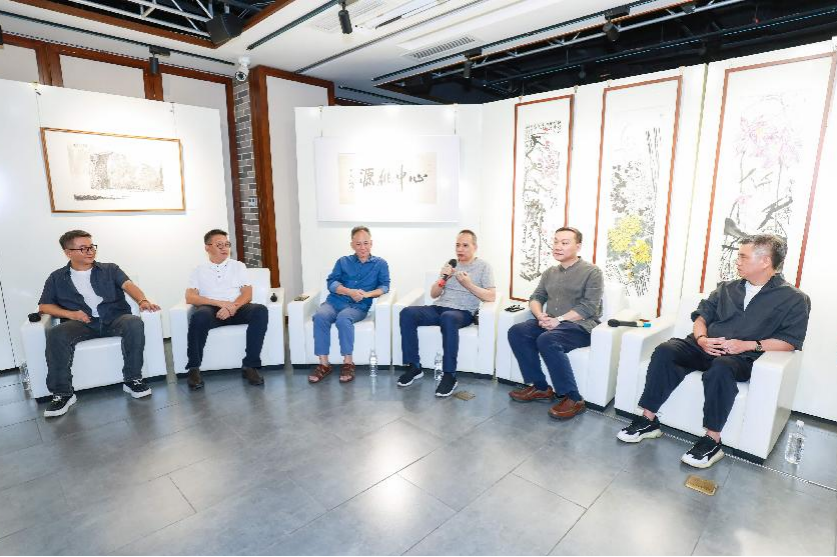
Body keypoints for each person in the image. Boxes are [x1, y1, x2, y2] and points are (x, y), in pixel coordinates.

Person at [617, 234, 811, 469]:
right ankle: (648, 421)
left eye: (743, 256)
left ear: (765, 261)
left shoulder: (794, 299)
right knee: (666, 350)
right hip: (705, 346)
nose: (737, 261)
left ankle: (712, 440)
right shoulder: (726, 288)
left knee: (721, 368)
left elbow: (789, 341)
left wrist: (747, 345)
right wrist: (702, 339)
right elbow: (701, 317)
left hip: (741, 356)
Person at [38, 230, 161, 418]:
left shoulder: (110, 269)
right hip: (82, 323)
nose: (90, 251)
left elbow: (129, 285)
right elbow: (44, 306)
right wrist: (71, 314)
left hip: (114, 318)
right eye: (83, 248)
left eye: (91, 247)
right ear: (68, 252)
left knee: (134, 323)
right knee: (57, 333)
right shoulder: (57, 277)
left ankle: (133, 380)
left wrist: (142, 300)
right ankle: (62, 393)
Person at [507, 227, 604, 419]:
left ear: (578, 246)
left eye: (564, 243)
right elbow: (536, 297)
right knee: (517, 331)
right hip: (551, 322)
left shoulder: (592, 272)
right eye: (556, 242)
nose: (558, 246)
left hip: (580, 327)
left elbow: (589, 307)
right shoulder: (549, 272)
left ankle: (574, 398)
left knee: (547, 339)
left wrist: (558, 320)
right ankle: (541, 388)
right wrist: (540, 316)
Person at [397, 230, 496, 397]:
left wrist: (468, 284)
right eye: (457, 245)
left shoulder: (484, 267)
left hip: (462, 312)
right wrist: (443, 279)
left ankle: (449, 375)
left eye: (465, 245)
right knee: (407, 313)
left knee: (448, 317)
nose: (460, 249)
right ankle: (414, 366)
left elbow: (491, 296)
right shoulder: (451, 264)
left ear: (475, 247)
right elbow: (434, 294)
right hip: (439, 307)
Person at [184, 229, 268, 390]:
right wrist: (219, 303)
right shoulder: (198, 269)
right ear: (207, 247)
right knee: (199, 316)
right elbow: (190, 297)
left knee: (260, 310)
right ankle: (193, 369)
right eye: (219, 245)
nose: (224, 248)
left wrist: (232, 307)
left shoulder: (238, 266)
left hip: (237, 307)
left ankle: (250, 365)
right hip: (211, 309)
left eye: (227, 244)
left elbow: (247, 293)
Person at [308, 226, 391, 384]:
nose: (362, 247)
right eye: (358, 244)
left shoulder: (380, 264)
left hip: (358, 307)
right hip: (334, 301)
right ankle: (324, 364)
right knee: (320, 316)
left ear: (371, 243)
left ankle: (348, 363)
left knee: (343, 319)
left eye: (365, 243)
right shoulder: (343, 261)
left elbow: (385, 286)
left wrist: (367, 294)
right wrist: (349, 291)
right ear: (352, 245)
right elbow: (331, 283)